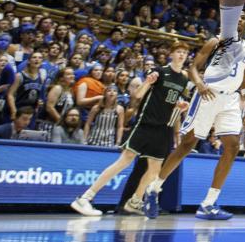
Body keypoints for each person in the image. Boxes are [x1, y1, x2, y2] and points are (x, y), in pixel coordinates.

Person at [141, 16, 245, 221]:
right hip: (208, 94)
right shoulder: (215, 41)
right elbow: (193, 67)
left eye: (243, 18)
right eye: (236, 15)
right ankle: (153, 189)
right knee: (187, 144)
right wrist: (200, 84)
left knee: (233, 146)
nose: (239, 19)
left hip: (230, 100)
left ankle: (208, 203)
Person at [70, 42, 190, 216]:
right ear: (171, 54)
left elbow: (175, 105)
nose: (182, 55)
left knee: (155, 171)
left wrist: (181, 106)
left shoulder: (184, 79)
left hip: (164, 129)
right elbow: (138, 95)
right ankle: (85, 198)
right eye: (179, 51)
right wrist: (147, 83)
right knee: (124, 160)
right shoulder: (159, 71)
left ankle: (134, 202)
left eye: (185, 52)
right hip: (146, 124)